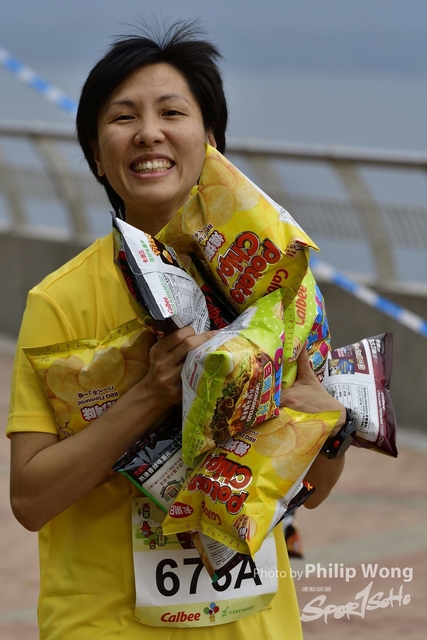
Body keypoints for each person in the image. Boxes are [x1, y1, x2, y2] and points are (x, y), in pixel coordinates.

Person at [7, 20, 346, 639]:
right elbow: (30, 500)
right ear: (96, 154)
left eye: (172, 112)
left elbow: (313, 493)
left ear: (211, 140)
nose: (149, 133)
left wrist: (328, 430)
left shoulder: (274, 284)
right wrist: (149, 396)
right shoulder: (59, 299)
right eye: (123, 117)